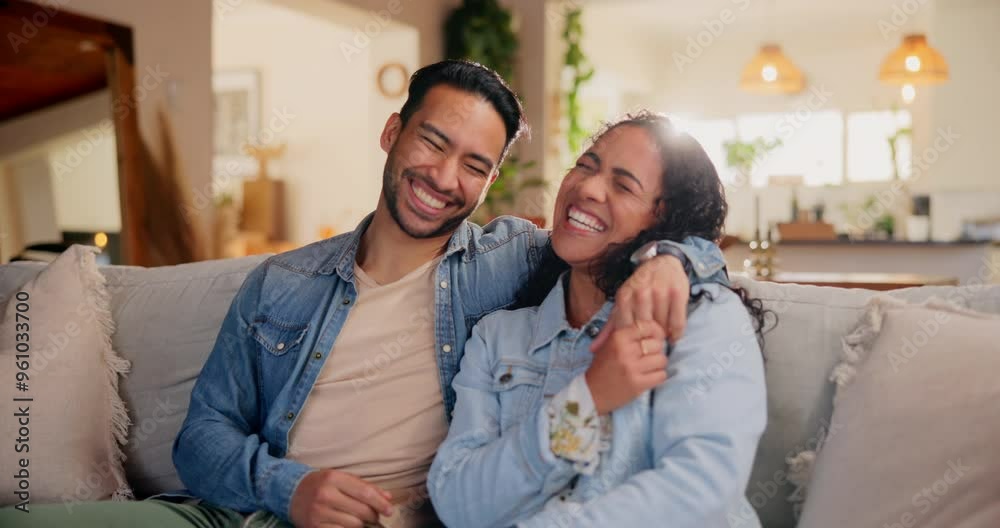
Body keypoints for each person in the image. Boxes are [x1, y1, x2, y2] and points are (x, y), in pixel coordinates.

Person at [1, 62, 723, 528]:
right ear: (392, 132)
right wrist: (292, 489)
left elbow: (634, 230)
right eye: (432, 143)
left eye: (475, 165)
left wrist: (669, 259)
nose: (444, 177)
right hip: (243, 513)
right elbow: (201, 441)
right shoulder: (282, 282)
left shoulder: (515, 261)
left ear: (491, 181)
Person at [428, 111, 770, 527]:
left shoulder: (699, 318)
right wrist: (586, 399)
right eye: (585, 166)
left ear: (663, 222)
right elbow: (458, 503)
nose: (587, 188)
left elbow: (701, 490)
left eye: (623, 185)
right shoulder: (498, 337)